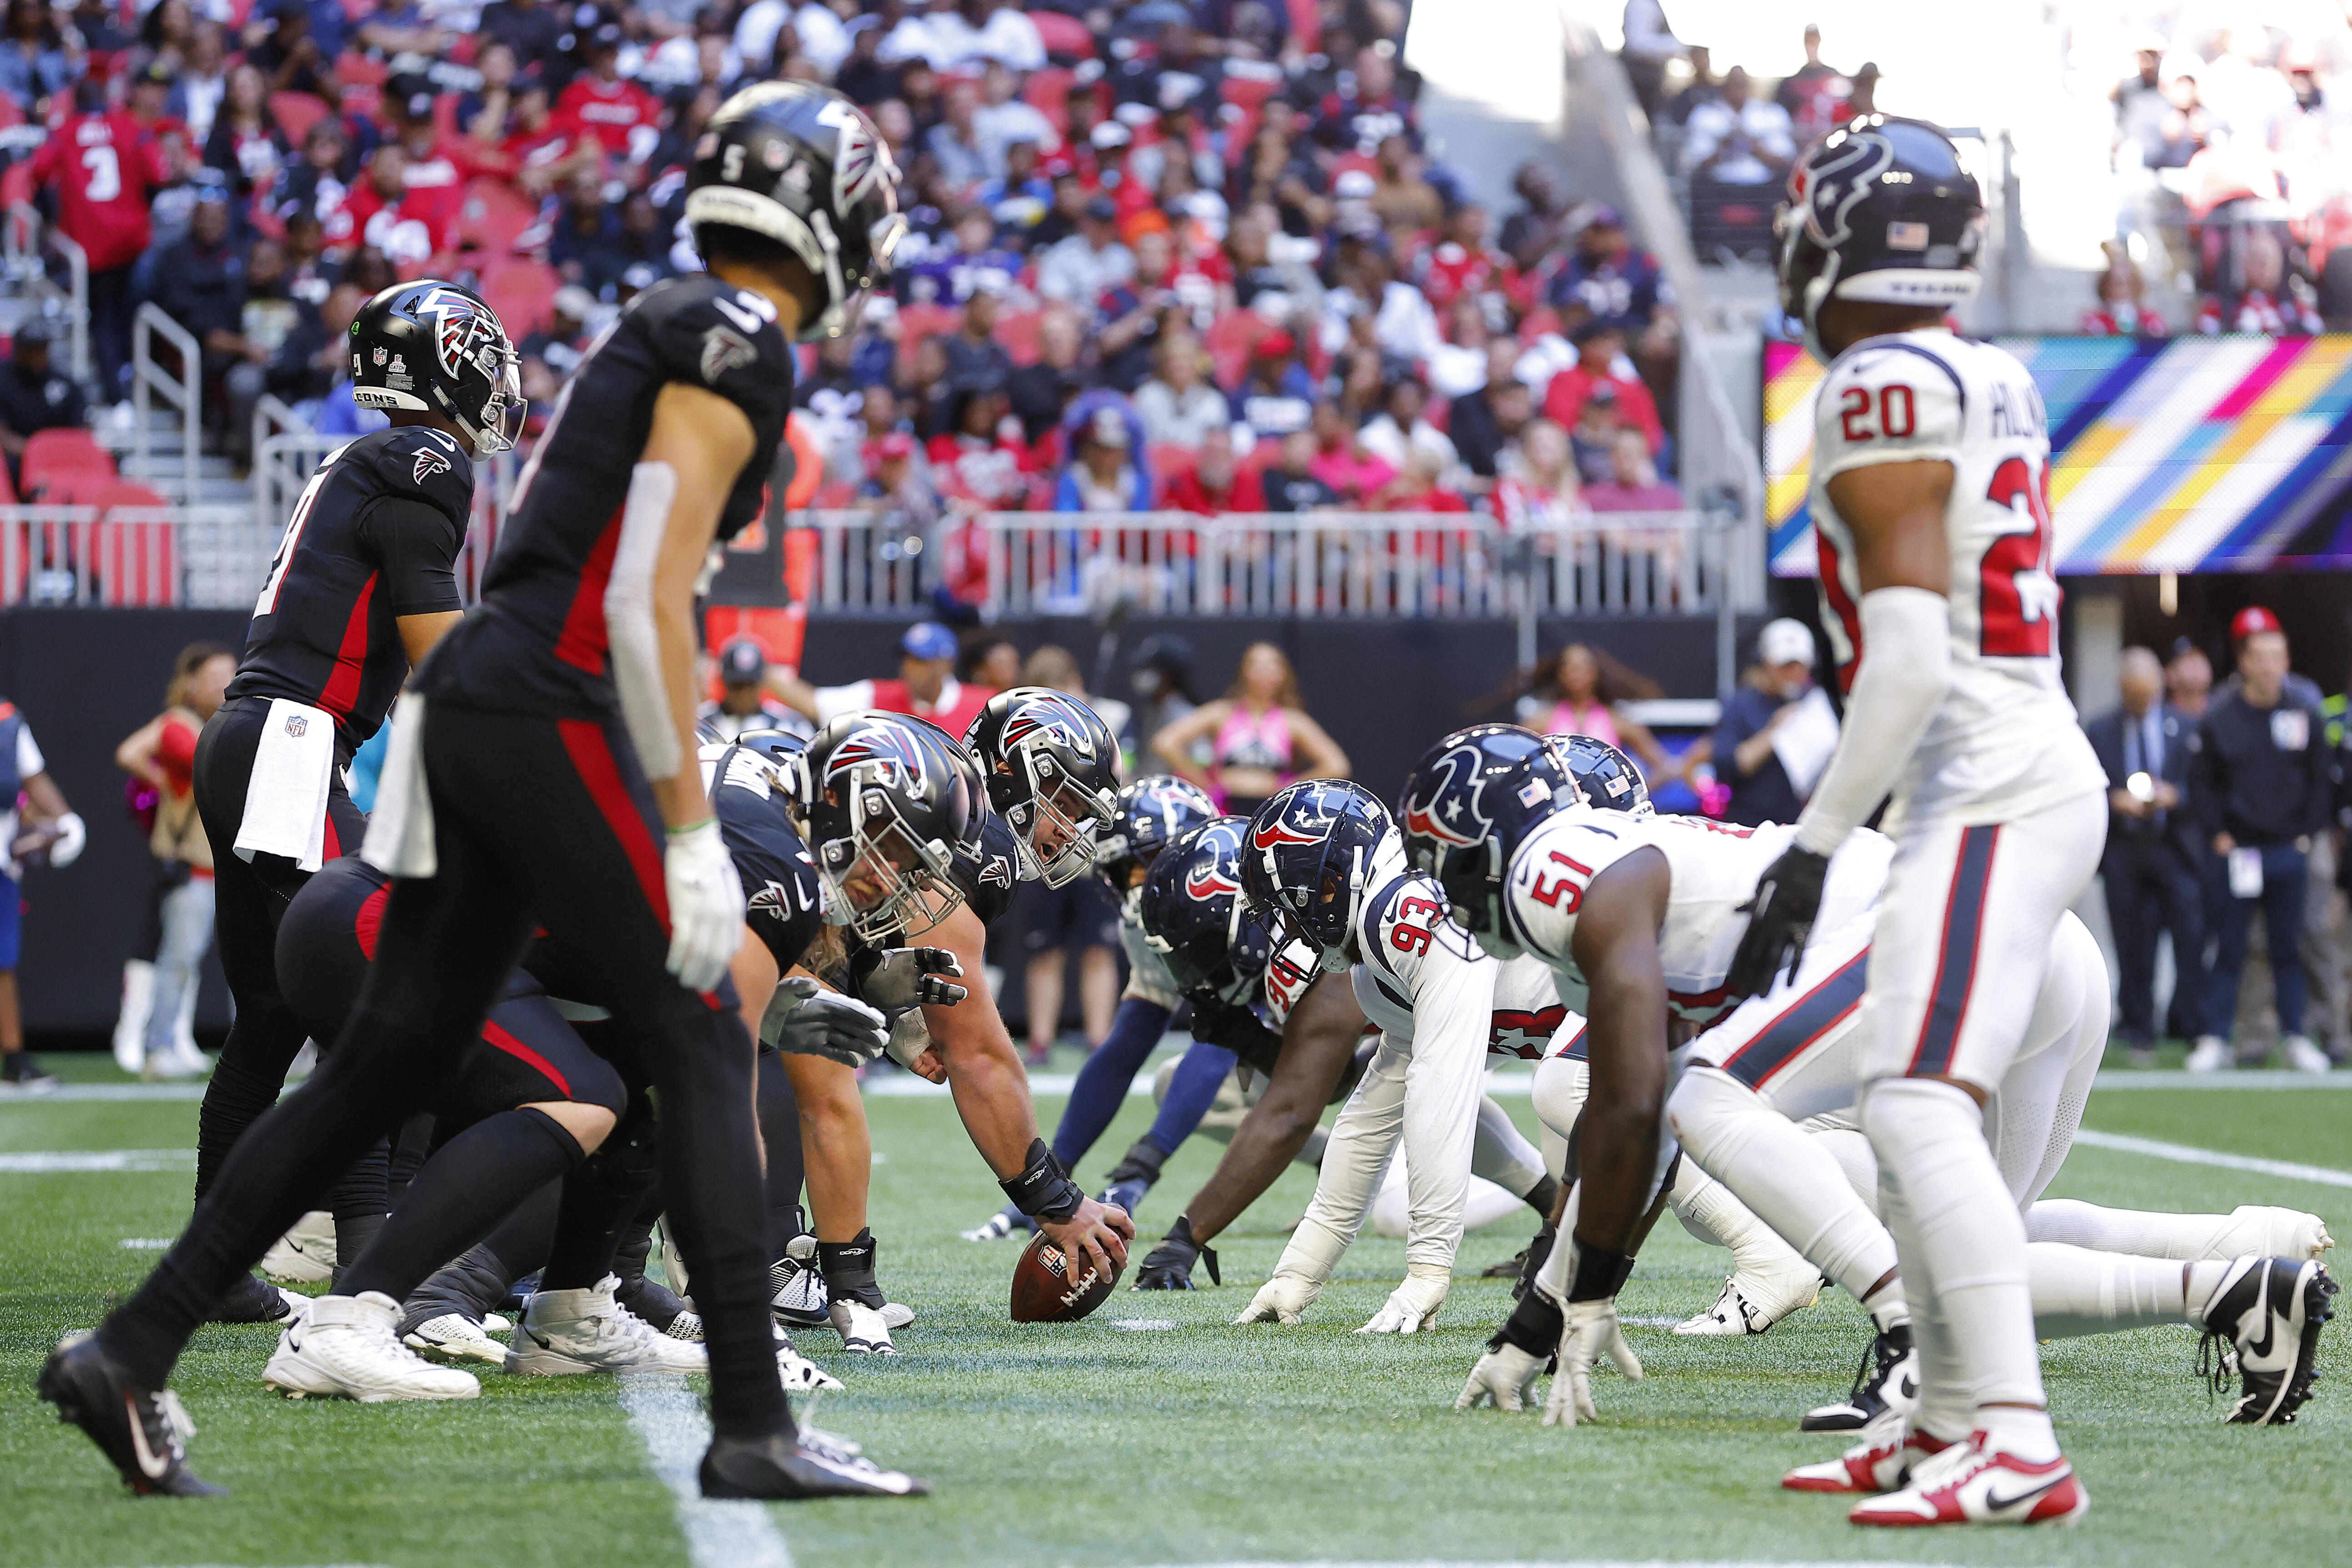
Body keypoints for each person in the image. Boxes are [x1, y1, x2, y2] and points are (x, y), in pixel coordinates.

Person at [39, 82, 923, 1503]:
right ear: (818, 204)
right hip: (541, 696)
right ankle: (753, 1418)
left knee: (392, 1054)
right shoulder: (736, 336)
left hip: (486, 696)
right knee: (699, 1029)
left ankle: (131, 1351)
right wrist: (689, 825)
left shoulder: (680, 320)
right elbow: (646, 596)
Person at [1726, 118, 2113, 1527]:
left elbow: (1897, 660)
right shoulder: (1985, 369)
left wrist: (1814, 844)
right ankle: (1939, 1413)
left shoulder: (1875, 384)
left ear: (1846, 235)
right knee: (1906, 1113)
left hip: (1986, 785)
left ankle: (2010, 1432)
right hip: (2021, 761)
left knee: (1910, 1101)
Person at [1230, 779, 1563, 1333]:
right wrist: (1299, 1271)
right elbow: (1370, 1117)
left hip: (1643, 991)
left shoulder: (1401, 913)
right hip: (1607, 1015)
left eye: (1295, 899)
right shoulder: (1373, 963)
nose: (1293, 924)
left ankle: (1761, 1262)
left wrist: (1429, 1267)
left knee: (1572, 1099)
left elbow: (1441, 1088)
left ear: (1338, 875)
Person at [2189, 609, 2332, 1073]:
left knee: (2288, 945)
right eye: (2261, 655)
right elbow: (2202, 782)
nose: (2271, 664)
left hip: (2290, 848)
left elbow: (2320, 779)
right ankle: (2215, 1036)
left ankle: (2296, 1035)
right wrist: (2218, 834)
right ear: (2244, 661)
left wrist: (2307, 836)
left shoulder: (2305, 709)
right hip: (2240, 852)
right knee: (2230, 945)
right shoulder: (2221, 716)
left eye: (2278, 654)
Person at [111, 643, 237, 1080]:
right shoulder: (182, 726)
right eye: (217, 675)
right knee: (178, 959)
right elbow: (205, 757)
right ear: (192, 685)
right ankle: (159, 1046)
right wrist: (165, 782)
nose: (228, 681)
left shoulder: (209, 724)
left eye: (232, 672)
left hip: (229, 870)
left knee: (236, 962)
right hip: (196, 871)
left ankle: (232, 1049)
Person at [2088, 647, 2204, 1068]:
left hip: (2174, 849)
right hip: (2126, 852)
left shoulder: (2187, 727)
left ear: (2159, 686)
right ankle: (2137, 1028)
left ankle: (2190, 1026)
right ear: (2122, 690)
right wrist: (2114, 801)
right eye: (2132, 695)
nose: (2140, 702)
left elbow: (2206, 789)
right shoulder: (2099, 730)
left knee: (2189, 937)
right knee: (2133, 944)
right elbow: (2089, 788)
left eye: (2146, 694)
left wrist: (2175, 796)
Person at [1009, 647, 1124, 1063]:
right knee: (1045, 951)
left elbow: (1117, 772)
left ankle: (1099, 1038)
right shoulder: (1025, 730)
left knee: (1098, 948)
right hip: (1043, 853)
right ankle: (1041, 1039)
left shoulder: (1108, 718)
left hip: (1093, 852)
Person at [30, 82, 169, 402]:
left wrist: (51, 215)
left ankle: (117, 395)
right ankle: (128, 378)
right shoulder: (129, 125)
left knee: (104, 319)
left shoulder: (65, 131)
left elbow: (38, 169)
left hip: (91, 242)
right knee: (132, 312)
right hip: (134, 239)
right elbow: (157, 174)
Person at [1151, 642, 1349, 818]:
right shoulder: (1221, 713)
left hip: (1271, 811)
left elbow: (1337, 765)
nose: (1264, 672)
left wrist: (1291, 788)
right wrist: (1201, 781)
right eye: (1257, 665)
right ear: (1243, 671)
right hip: (1224, 808)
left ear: (1284, 674)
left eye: (1272, 666)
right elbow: (1165, 742)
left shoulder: (1293, 721)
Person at [0, 697, 84, 1091]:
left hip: (0, 862)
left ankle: (14, 1059)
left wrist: (63, 817)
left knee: (3, 960)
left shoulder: (6, 718)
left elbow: (33, 777)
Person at [773, 620, 995, 738]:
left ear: (945, 664)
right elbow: (813, 704)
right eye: (906, 659)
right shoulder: (876, 697)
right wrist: (762, 670)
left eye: (920, 661)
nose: (909, 669)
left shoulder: (982, 706)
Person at [1708, 619, 1833, 828]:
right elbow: (1725, 765)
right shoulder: (1741, 704)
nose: (1793, 674)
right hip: (1749, 827)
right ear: (1766, 663)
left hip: (1799, 827)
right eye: (1785, 666)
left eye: (1800, 667)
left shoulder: (1815, 704)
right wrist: (1774, 732)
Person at [1525, 642, 1679, 786]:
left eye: (1581, 667)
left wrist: (1627, 795)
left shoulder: (1616, 721)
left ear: (1595, 672)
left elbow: (1663, 768)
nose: (1574, 673)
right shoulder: (1542, 721)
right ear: (1559, 674)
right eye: (1567, 667)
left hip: (1605, 811)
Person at [0, 321, 90, 490]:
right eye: (30, 349)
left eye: (40, 348)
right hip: (17, 458)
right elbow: (3, 436)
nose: (36, 355)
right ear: (18, 350)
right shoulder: (3, 381)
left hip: (60, 461)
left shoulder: (64, 385)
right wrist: (38, 453)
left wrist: (52, 455)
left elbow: (81, 432)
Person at [698, 637, 806, 744]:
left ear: (763, 682)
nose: (744, 694)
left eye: (751, 686)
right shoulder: (701, 722)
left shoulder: (788, 725)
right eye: (737, 686)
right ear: (723, 681)